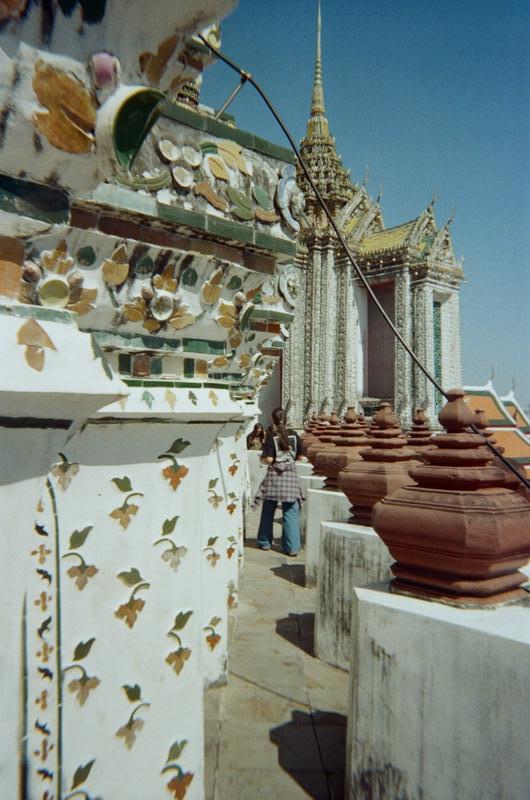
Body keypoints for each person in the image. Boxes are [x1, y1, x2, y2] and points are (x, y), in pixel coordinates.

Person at [253, 408, 304, 556]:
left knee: (268, 509)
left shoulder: (271, 436)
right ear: (286, 419)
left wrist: (262, 459)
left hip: (274, 477)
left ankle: (264, 542)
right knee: (291, 511)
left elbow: (268, 459)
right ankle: (292, 547)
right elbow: (300, 457)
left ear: (272, 419)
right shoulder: (294, 435)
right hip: (290, 477)